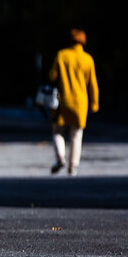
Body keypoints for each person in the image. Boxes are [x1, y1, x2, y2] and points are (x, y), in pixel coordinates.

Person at [48, 29, 99, 175]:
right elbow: (93, 84)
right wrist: (94, 104)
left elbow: (52, 76)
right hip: (80, 102)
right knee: (76, 134)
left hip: (62, 100)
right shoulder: (88, 59)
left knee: (57, 130)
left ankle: (60, 157)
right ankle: (73, 166)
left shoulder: (62, 55)